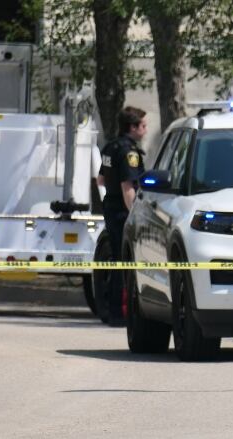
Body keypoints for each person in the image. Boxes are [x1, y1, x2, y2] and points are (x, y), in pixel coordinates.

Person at [96, 106, 147, 326]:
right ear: (133, 127)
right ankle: (118, 313)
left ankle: (111, 310)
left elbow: (100, 180)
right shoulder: (128, 152)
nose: (145, 130)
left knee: (115, 259)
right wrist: (136, 215)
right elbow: (128, 187)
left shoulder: (110, 147)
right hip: (122, 211)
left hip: (110, 206)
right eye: (143, 126)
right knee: (122, 260)